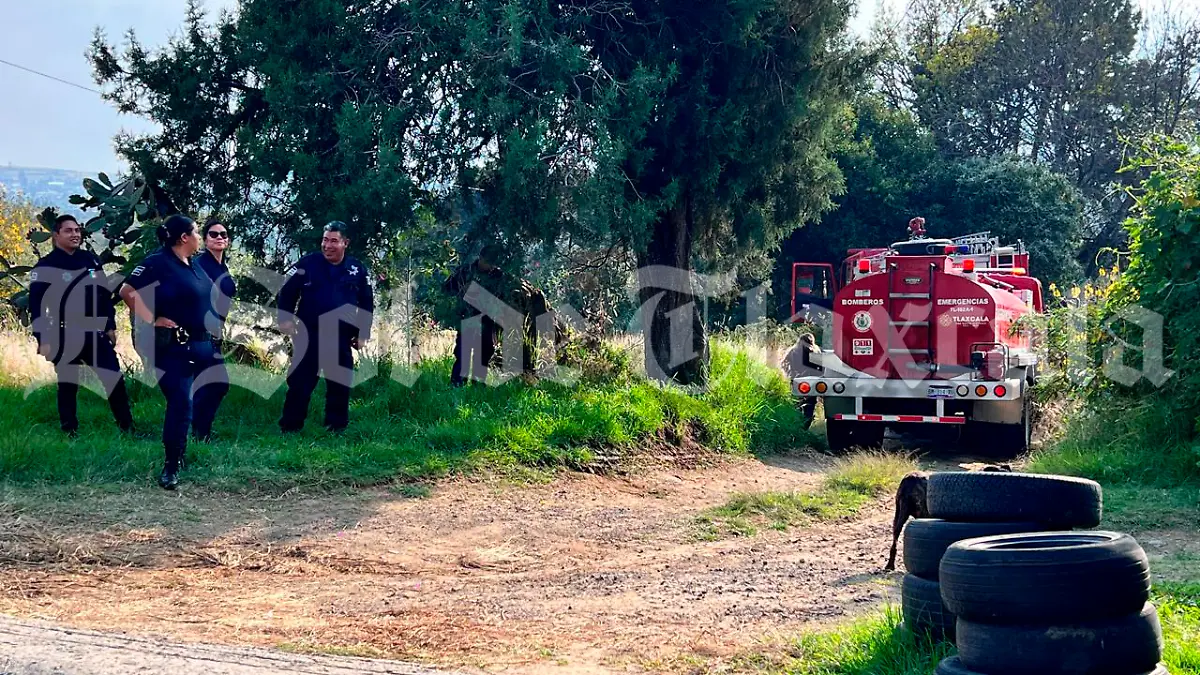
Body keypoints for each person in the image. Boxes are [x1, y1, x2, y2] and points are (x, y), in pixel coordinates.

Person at [119, 214, 225, 489]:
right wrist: (151, 318)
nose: (200, 238)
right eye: (197, 233)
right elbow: (127, 291)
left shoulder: (194, 264)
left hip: (203, 343)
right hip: (174, 346)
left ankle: (198, 433)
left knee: (219, 385)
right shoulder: (158, 263)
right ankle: (172, 463)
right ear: (184, 238)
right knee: (180, 402)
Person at [29, 214, 134, 436]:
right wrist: (42, 339)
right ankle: (69, 431)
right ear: (56, 235)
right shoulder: (46, 266)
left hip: (95, 332)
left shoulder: (90, 260)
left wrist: (110, 326)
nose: (75, 234)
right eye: (69, 231)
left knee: (113, 379)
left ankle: (127, 428)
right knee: (68, 385)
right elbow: (36, 307)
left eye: (77, 230)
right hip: (64, 333)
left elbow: (103, 295)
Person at [275, 221, 374, 433]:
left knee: (340, 383)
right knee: (300, 383)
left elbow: (366, 302)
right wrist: (285, 319)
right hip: (308, 334)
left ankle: (336, 427)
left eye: (334, 241)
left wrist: (363, 334)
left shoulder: (357, 269)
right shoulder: (308, 263)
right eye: (325, 239)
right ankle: (290, 427)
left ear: (345, 243)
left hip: (340, 336)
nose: (327, 245)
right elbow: (287, 292)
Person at [192, 216, 236, 436]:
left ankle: (200, 431)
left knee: (215, 385)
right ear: (205, 240)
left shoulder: (222, 266)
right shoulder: (198, 265)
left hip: (215, 335)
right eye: (214, 234)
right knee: (212, 384)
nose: (219, 238)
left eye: (223, 235)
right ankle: (198, 433)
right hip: (198, 335)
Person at [781, 332, 823, 429]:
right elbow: (822, 369)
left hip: (802, 382)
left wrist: (791, 374)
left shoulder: (795, 350)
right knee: (806, 405)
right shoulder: (814, 351)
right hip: (807, 382)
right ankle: (802, 427)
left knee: (801, 404)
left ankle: (801, 427)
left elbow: (783, 364)